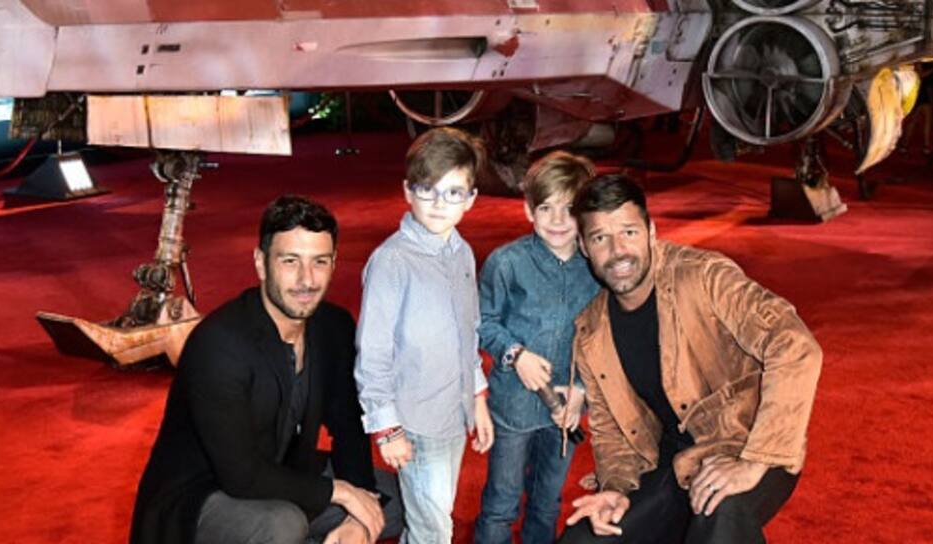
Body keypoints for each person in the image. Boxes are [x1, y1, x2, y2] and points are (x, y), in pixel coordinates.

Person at [558, 175, 822, 544]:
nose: (618, 251)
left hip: (747, 439)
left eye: (629, 232)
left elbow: (795, 345)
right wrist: (615, 487)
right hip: (672, 461)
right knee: (585, 540)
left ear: (651, 232)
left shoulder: (703, 276)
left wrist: (755, 461)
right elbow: (612, 433)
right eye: (600, 238)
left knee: (719, 515)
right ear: (584, 247)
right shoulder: (591, 331)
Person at [130, 195, 403, 544]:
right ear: (261, 263)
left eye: (319, 262)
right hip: (204, 494)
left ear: (334, 263)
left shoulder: (333, 326)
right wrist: (342, 493)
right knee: (282, 524)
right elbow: (241, 474)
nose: (306, 280)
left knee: (400, 498)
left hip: (285, 469)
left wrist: (359, 516)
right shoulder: (219, 343)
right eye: (290, 261)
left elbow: (348, 427)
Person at [355, 127, 495, 543]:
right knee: (433, 529)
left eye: (453, 192)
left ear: (470, 199)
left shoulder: (462, 252)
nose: (438, 203)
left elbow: (467, 335)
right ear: (407, 192)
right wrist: (388, 429)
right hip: (414, 421)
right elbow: (373, 353)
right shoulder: (391, 262)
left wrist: (477, 397)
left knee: (431, 519)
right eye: (427, 189)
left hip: (453, 413)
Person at [474, 151, 599, 544]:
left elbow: (602, 338)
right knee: (501, 503)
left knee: (547, 502)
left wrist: (583, 391)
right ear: (529, 210)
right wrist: (516, 354)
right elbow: (482, 322)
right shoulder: (506, 263)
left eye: (569, 208)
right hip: (513, 405)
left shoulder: (596, 267)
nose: (558, 220)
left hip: (567, 411)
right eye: (546, 208)